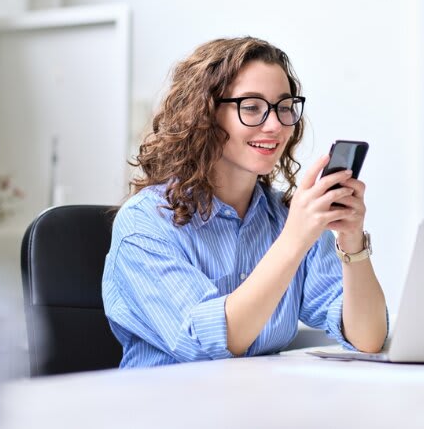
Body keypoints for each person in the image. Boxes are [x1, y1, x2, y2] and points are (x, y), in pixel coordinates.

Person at [102, 36, 387, 367]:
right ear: (205, 115)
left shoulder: (285, 217)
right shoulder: (144, 223)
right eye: (251, 107)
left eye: (283, 107)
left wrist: (351, 241)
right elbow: (208, 345)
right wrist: (294, 239)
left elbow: (368, 338)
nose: (275, 125)